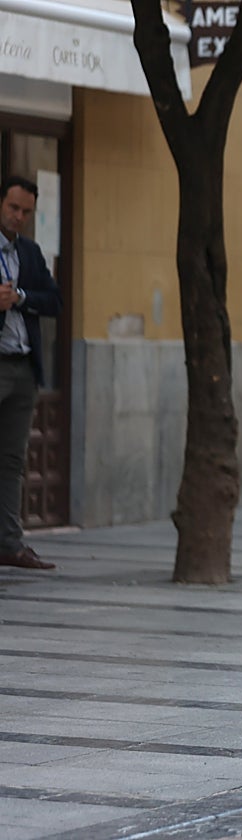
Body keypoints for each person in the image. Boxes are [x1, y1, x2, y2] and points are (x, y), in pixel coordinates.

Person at [0, 175, 62, 572]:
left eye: (26, 211)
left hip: (23, 368)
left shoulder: (31, 253)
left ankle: (9, 543)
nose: (19, 216)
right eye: (13, 208)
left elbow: (54, 301)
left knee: (12, 460)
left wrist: (20, 298)